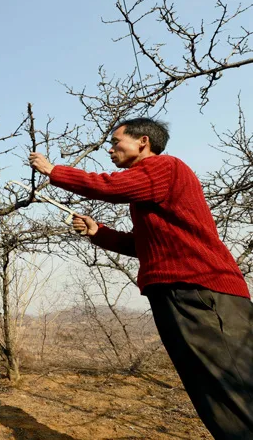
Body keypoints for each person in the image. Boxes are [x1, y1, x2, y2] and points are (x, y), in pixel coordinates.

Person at [29, 117, 252, 439]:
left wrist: (54, 171)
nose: (110, 149)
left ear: (143, 142)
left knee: (233, 384)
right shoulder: (152, 188)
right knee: (211, 388)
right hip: (183, 293)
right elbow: (145, 245)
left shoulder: (166, 167)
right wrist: (98, 232)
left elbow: (110, 186)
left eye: (116, 141)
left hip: (200, 291)